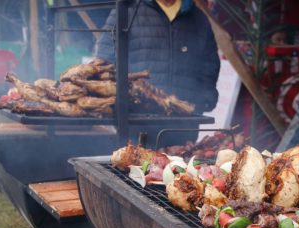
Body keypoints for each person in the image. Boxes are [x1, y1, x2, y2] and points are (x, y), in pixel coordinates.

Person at [94, 0, 220, 146]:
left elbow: (209, 67)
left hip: (183, 128)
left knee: (179, 167)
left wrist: (202, 101)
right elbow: (105, 63)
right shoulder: (127, 11)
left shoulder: (198, 19)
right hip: (135, 127)